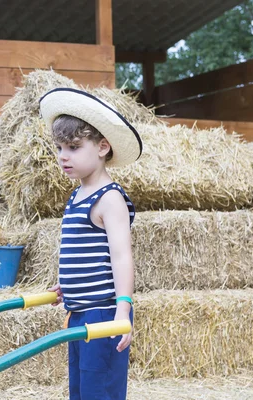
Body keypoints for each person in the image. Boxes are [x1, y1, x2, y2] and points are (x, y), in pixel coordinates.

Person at [39, 88, 143, 400]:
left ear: (102, 147)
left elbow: (121, 257)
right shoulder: (76, 196)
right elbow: (81, 251)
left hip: (104, 316)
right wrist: (66, 285)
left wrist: (123, 311)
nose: (63, 156)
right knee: (81, 392)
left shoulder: (109, 198)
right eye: (59, 147)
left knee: (100, 393)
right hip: (79, 313)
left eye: (73, 147)